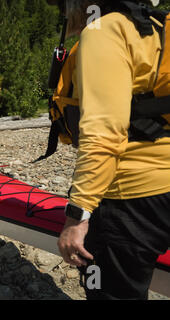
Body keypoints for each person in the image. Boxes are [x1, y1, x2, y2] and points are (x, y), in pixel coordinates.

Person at [45, 0, 170, 299]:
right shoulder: (156, 28)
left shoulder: (103, 30)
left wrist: (77, 218)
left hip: (130, 198)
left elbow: (103, 136)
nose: (61, 11)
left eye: (63, 3)